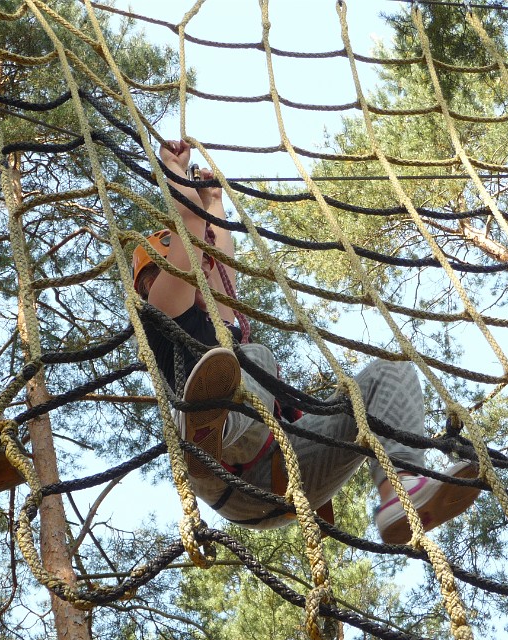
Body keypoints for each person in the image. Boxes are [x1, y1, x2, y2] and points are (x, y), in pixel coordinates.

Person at [133, 139, 481, 544]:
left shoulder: (220, 319)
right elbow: (191, 226)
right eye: (196, 260)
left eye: (208, 262)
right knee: (252, 357)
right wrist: (175, 169)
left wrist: (215, 202)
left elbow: (222, 257)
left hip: (284, 470)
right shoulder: (163, 309)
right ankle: (212, 428)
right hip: (221, 472)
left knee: (391, 370)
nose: (208, 267)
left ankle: (400, 490)